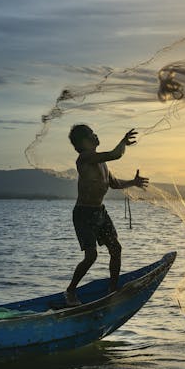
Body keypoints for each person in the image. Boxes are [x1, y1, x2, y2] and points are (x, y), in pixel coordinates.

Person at [64, 124, 149, 306]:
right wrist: (123, 142)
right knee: (91, 256)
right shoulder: (85, 159)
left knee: (116, 249)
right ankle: (70, 291)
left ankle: (112, 289)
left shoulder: (101, 162)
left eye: (95, 133)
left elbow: (114, 184)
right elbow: (115, 154)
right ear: (82, 143)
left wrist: (133, 182)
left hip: (99, 212)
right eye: (91, 135)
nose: (95, 136)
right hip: (83, 214)